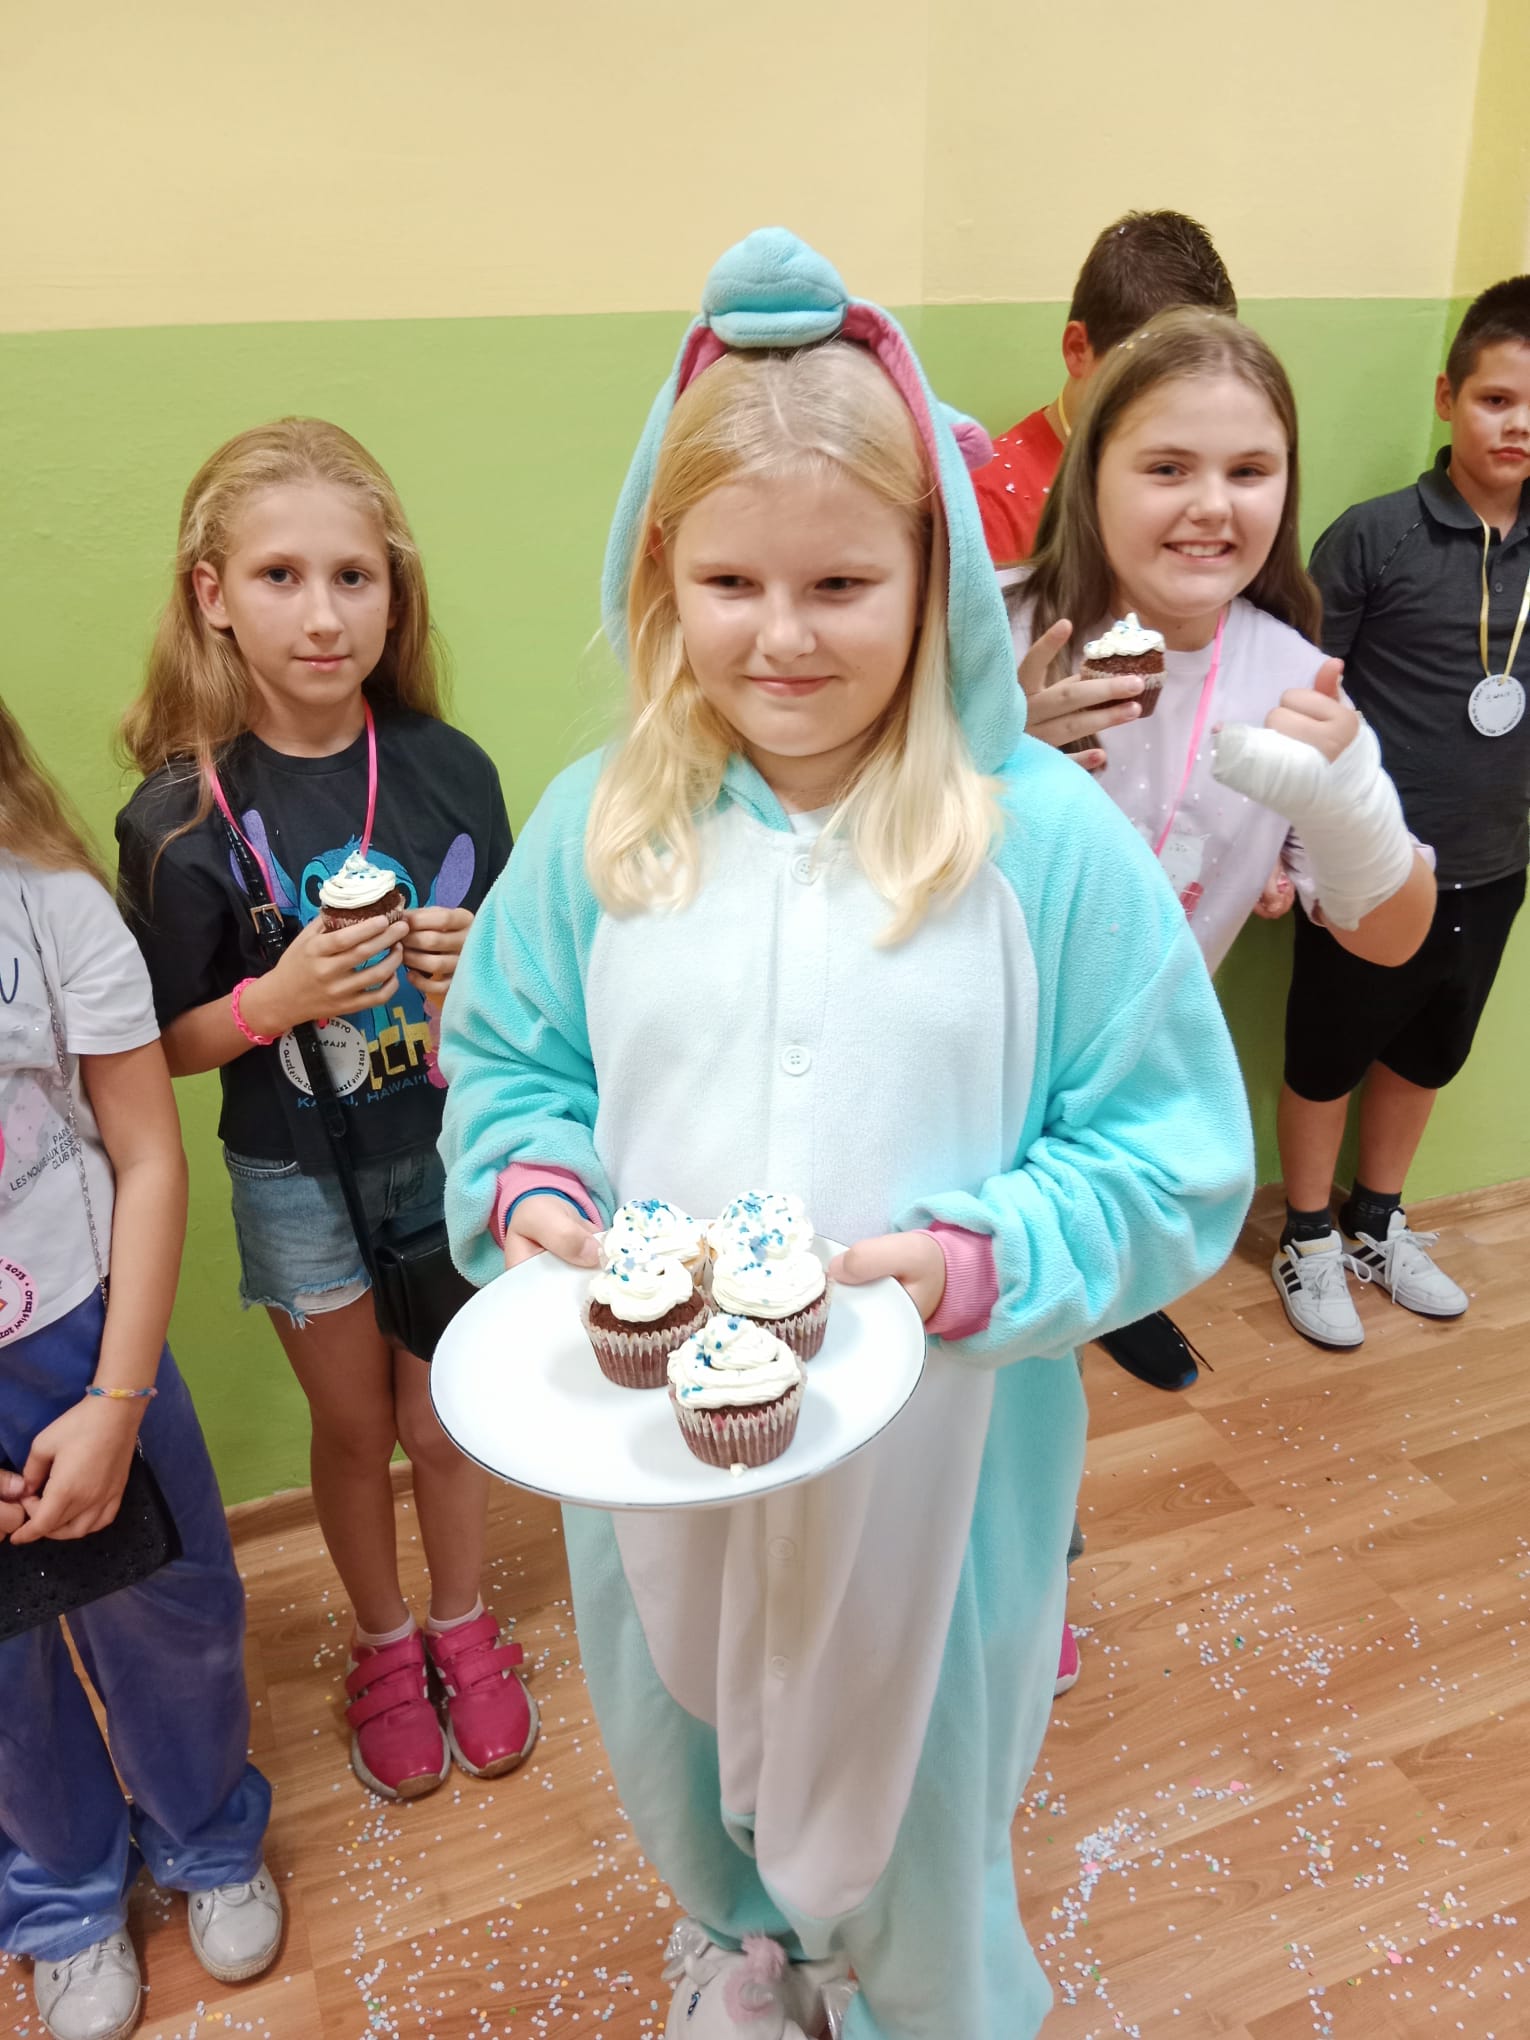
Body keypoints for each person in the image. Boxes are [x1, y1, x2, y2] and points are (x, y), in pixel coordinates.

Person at [438, 228, 1254, 2040]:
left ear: (933, 573)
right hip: (658, 1460)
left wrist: (976, 1261)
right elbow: (509, 1067)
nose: (784, 636)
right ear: (662, 571)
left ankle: (922, 1997)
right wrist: (536, 1185)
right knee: (688, 1731)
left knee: (919, 1798)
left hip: (938, 1473)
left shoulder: (1042, 849)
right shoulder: (596, 830)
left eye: (840, 583)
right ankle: (747, 1949)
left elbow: (1172, 1155)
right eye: (731, 581)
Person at [1010, 307, 1435, 1681]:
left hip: (1115, 1105)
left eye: (1249, 471)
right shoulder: (1000, 632)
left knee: (1037, 1373)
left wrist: (1351, 807)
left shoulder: (1291, 676)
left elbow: (1391, 939)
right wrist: (991, 759)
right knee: (949, 1363)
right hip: (959, 1075)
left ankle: (1029, 1572)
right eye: (1166, 467)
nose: (1211, 505)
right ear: (1092, 473)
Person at [115, 420, 535, 1804]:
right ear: (212, 594)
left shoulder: (448, 769)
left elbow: (527, 995)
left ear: (394, 594)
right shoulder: (177, 820)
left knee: (448, 1419)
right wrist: (274, 999)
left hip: (444, 1152)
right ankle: (385, 1640)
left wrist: (475, 971)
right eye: (280, 576)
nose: (322, 615)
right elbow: (157, 1049)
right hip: (296, 1176)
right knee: (355, 1433)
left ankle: (465, 1623)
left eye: (354, 577)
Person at [0, 694, 278, 2040]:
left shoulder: (51, 907)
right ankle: (59, 1893)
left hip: (87, 1337)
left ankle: (208, 1831)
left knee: (172, 1618)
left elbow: (147, 1153)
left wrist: (115, 1400)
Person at [1273, 277, 1530, 1344]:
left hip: (1496, 860)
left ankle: (1376, 1221)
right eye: (1496, 399)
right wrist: (1284, 846)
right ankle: (1305, 1236)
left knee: (1427, 1054)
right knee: (1328, 1055)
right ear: (1446, 398)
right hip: (1369, 866)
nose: (1517, 426)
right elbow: (1297, 693)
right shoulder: (1374, 538)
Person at [971, 209, 1237, 567]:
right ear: (1078, 350)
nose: (1180, 407)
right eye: (1150, 378)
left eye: (1202, 380)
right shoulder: (984, 504)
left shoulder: (1208, 494)